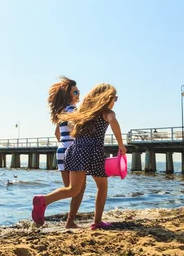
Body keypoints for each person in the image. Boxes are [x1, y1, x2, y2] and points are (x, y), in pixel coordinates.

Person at [32, 83, 127, 229]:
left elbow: (70, 126)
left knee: (73, 189)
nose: (115, 101)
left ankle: (44, 200)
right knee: (102, 187)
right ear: (108, 98)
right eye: (115, 98)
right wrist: (121, 145)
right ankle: (97, 222)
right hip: (94, 153)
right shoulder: (107, 112)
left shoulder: (84, 113)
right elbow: (113, 122)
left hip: (76, 150)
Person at [48, 76, 83, 228]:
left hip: (61, 150)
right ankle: (69, 221)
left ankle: (43, 202)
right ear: (68, 95)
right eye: (75, 92)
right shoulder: (73, 110)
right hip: (73, 150)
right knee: (78, 189)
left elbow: (57, 133)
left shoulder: (60, 112)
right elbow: (74, 126)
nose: (78, 94)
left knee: (70, 189)